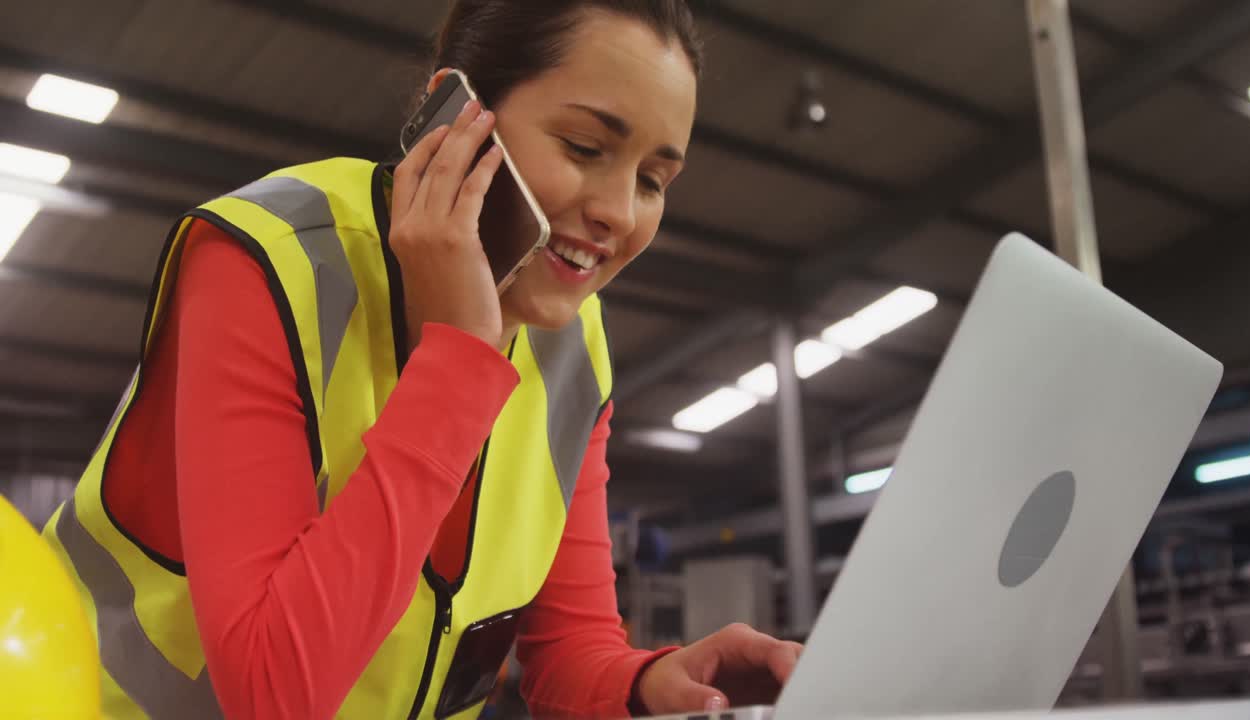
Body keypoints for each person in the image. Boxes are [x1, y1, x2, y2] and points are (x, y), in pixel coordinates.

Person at [41, 1, 803, 718]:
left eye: (652, 180)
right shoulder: (266, 261)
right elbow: (274, 692)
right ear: (454, 113)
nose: (619, 211)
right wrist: (462, 361)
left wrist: (647, 683)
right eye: (584, 147)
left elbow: (569, 652)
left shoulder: (576, 347)